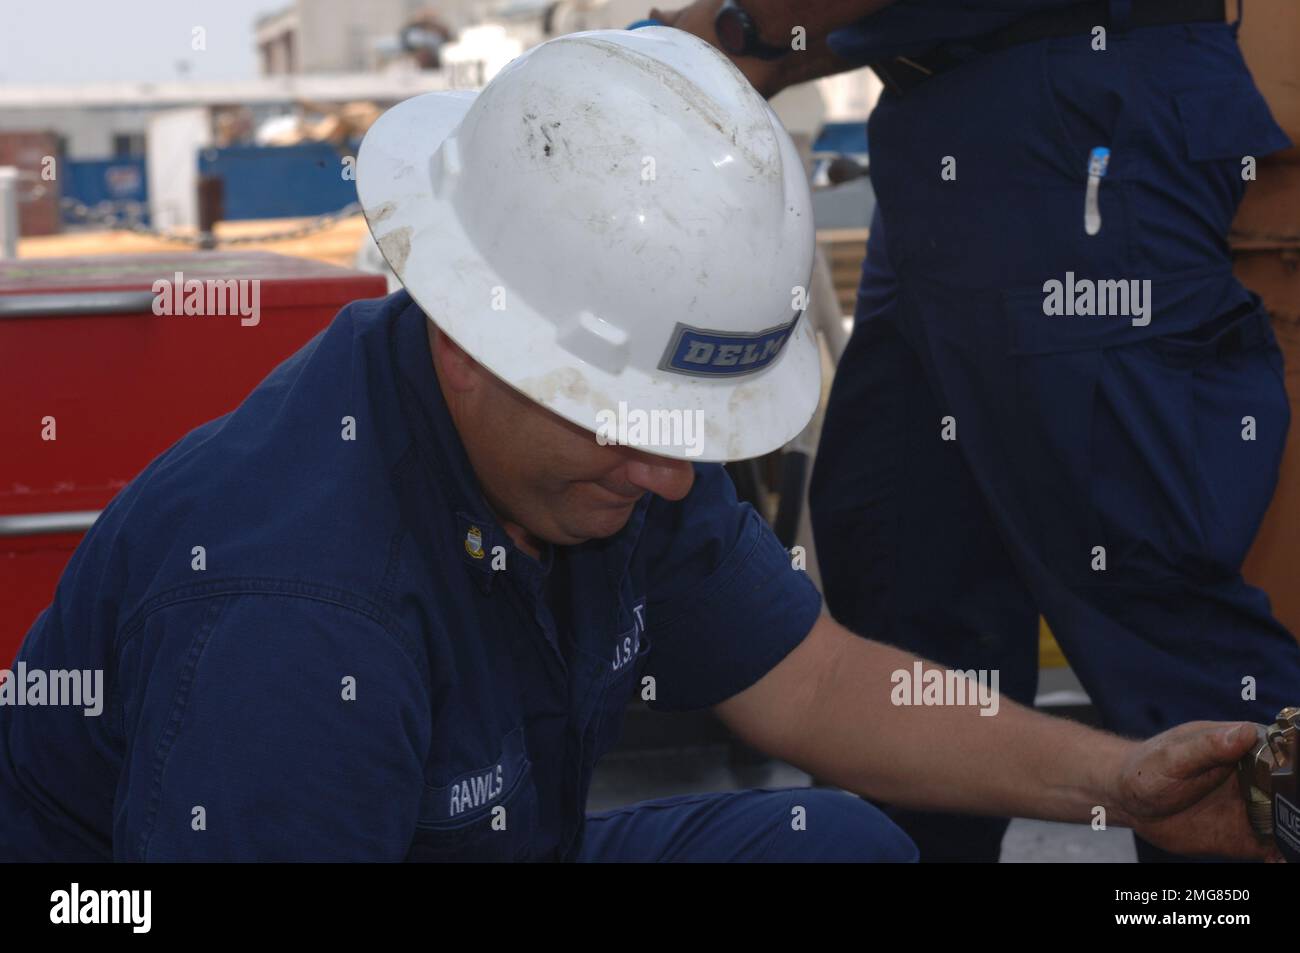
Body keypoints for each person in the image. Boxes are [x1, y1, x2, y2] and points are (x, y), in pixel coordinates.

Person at [0, 27, 1276, 862]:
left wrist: (1121, 781)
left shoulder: (603, 444)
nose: (673, 477)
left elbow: (814, 683)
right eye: (630, 426)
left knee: (834, 849)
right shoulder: (293, 624)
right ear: (467, 339)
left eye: (691, 432)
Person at [654, 0, 1300, 861]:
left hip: (1072, 120)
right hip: (949, 123)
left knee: (1148, 593)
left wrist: (735, 27)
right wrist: (754, 47)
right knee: (904, 569)